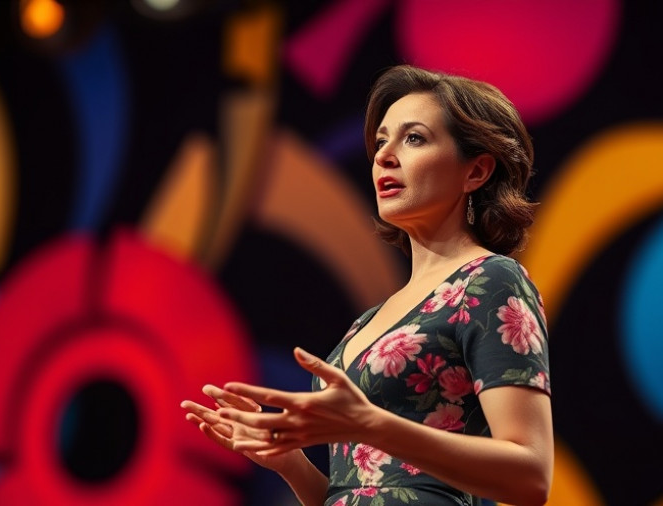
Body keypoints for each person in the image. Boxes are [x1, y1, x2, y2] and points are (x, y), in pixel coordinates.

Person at [181, 65, 552, 506]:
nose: (384, 156)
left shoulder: (491, 280)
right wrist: (290, 462)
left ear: (476, 172)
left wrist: (369, 423)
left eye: (413, 138)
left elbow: (530, 476)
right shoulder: (368, 323)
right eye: (380, 142)